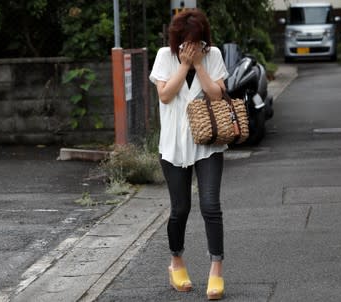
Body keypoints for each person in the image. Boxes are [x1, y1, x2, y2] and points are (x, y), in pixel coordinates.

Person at [149, 9, 228, 300]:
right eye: (186, 41)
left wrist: (200, 65)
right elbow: (165, 95)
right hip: (173, 146)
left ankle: (216, 270)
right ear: (177, 40)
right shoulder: (164, 56)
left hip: (208, 144)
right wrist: (184, 65)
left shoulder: (214, 55)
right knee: (180, 209)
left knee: (211, 206)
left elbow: (217, 94)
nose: (192, 47)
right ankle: (176, 262)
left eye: (197, 41)